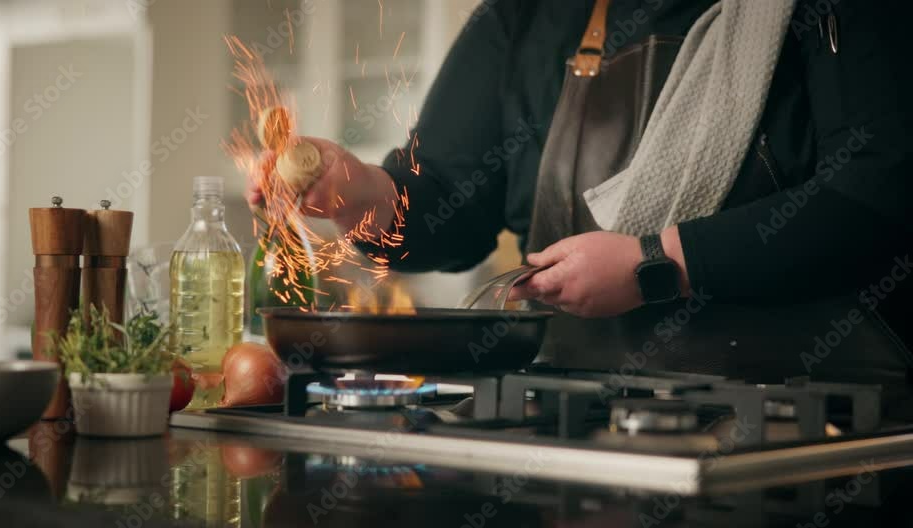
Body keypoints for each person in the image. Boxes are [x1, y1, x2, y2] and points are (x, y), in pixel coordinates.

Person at [247, 0, 913, 418]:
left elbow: (882, 187)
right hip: (572, 414)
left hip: (822, 421)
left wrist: (658, 264)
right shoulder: (526, 15)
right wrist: (357, 191)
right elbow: (449, 202)